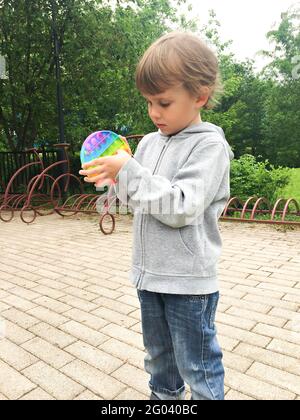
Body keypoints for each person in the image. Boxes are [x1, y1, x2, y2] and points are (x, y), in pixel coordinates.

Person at [80, 31, 234, 400]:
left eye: (163, 102)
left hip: (188, 285)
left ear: (200, 95)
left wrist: (128, 172)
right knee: (159, 362)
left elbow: (181, 206)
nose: (153, 112)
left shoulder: (209, 145)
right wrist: (113, 179)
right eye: (149, 102)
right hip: (149, 278)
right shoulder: (149, 143)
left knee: (197, 365)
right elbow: (141, 200)